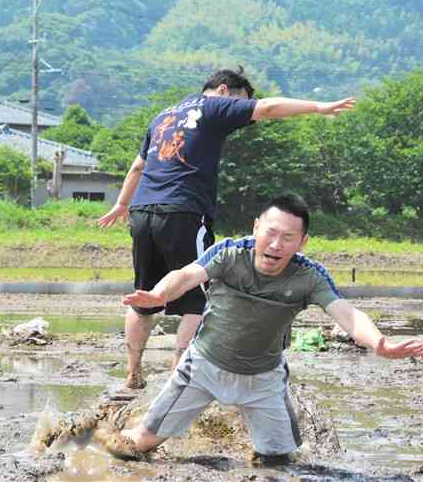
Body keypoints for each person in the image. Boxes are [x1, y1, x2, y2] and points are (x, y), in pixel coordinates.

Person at [101, 193, 423, 459]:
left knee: (280, 461)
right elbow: (186, 275)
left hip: (264, 380)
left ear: (302, 242)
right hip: (203, 367)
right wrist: (159, 295)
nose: (276, 244)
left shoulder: (309, 275)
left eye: (288, 237)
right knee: (135, 445)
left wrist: (380, 344)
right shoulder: (229, 253)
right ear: (256, 227)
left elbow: (347, 313)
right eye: (270, 232)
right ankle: (86, 435)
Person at [98, 67, 357, 389]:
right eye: (241, 103)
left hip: (142, 211)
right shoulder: (211, 106)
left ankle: (133, 374)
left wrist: (122, 205)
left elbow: (139, 165)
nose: (241, 115)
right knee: (199, 297)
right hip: (184, 211)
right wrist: (318, 107)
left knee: (143, 298)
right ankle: (179, 379)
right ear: (224, 91)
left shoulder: (164, 115)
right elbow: (268, 108)